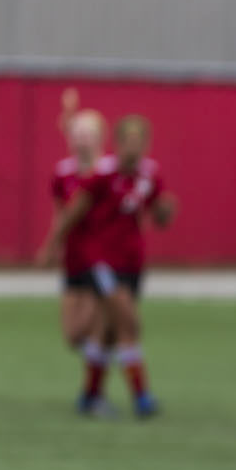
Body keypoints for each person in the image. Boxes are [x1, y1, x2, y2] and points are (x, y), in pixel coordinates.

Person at [89, 115, 177, 417]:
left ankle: (90, 394)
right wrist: (56, 245)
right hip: (102, 260)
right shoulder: (103, 174)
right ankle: (141, 396)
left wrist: (166, 211)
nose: (134, 147)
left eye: (140, 141)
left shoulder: (149, 175)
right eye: (128, 141)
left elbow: (158, 216)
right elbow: (79, 208)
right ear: (117, 143)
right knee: (129, 322)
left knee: (109, 330)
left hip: (132, 261)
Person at [36, 104, 120, 416]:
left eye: (87, 134)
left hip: (104, 259)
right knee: (73, 334)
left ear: (101, 138)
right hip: (74, 258)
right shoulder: (63, 173)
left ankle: (94, 391)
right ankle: (102, 362)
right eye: (76, 134)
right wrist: (53, 245)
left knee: (98, 326)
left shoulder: (110, 171)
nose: (81, 140)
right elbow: (61, 213)